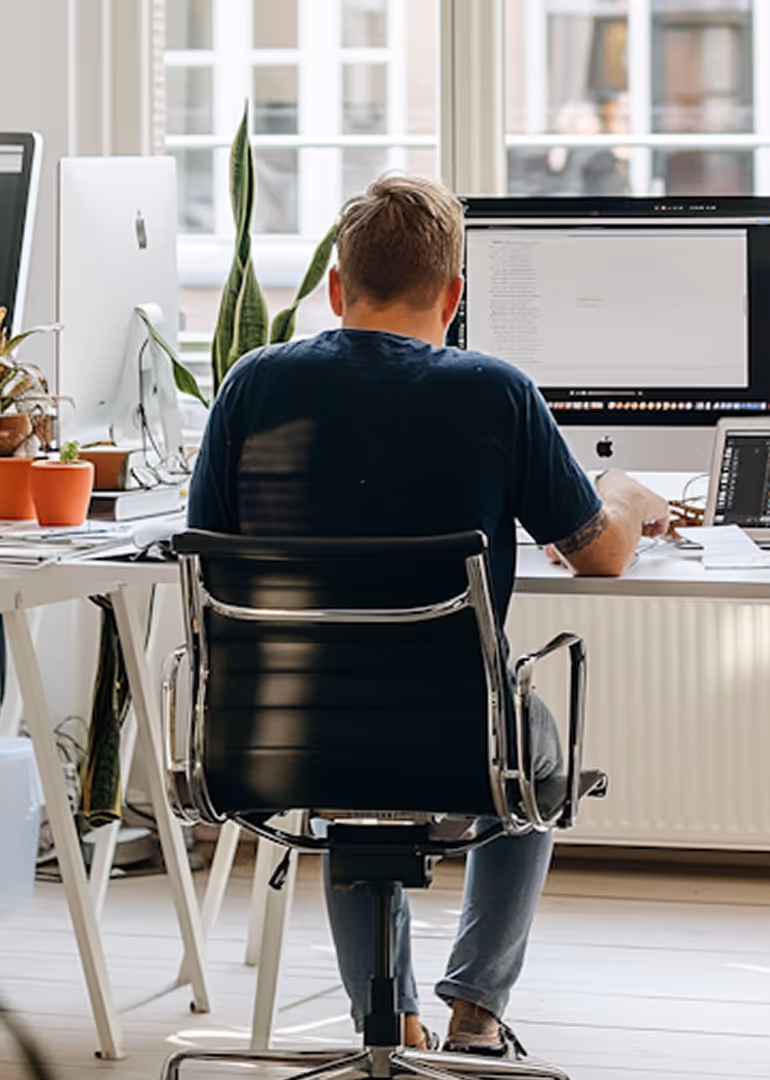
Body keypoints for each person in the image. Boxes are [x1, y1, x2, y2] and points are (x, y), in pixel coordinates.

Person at [187, 175, 669, 1059]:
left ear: (337, 290)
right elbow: (599, 550)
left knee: (343, 767)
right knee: (537, 742)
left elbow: (207, 549)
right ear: (453, 297)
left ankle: (388, 1019)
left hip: (277, 729)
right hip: (458, 735)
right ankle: (475, 1010)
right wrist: (625, 498)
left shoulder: (251, 383)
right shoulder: (495, 391)